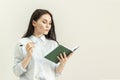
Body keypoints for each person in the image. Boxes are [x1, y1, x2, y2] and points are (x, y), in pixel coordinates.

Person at [13, 9, 73, 80]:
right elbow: (16, 72)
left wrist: (63, 63)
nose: (48, 26)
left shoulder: (53, 44)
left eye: (50, 23)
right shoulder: (22, 43)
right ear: (34, 23)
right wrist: (28, 56)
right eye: (44, 22)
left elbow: (56, 73)